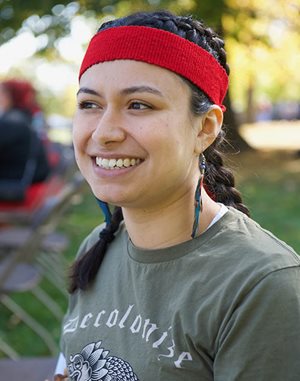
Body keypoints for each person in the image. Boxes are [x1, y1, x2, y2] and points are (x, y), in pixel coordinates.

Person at [54, 10, 300, 380]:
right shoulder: (100, 247)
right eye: (90, 104)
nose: (104, 132)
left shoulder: (260, 286)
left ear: (205, 128)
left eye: (139, 105)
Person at [0, 80, 51, 198]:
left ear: (13, 96)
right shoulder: (24, 117)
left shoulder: (12, 122)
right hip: (25, 179)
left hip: (14, 185)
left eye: (2, 93)